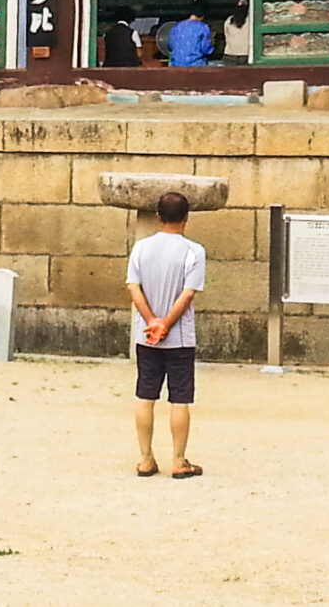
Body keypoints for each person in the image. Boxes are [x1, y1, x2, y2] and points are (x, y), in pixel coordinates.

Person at [126, 190, 207, 479]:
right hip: (179, 337)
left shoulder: (141, 248)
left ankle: (146, 458)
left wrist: (151, 321)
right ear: (186, 218)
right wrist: (167, 324)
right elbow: (188, 294)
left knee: (145, 395)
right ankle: (178, 460)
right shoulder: (194, 251)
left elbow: (134, 287)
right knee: (180, 399)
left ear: (158, 217)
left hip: (145, 335)